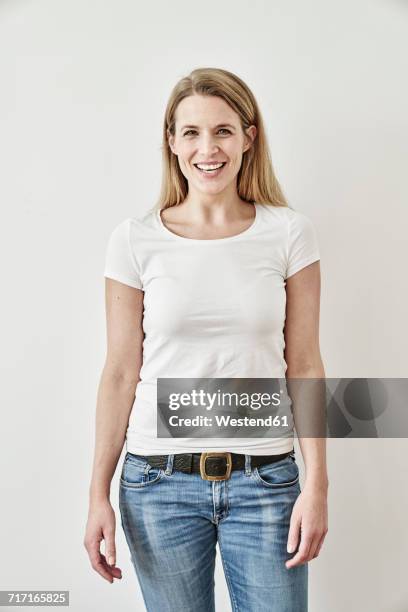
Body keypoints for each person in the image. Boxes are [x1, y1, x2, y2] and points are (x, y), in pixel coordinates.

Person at [84, 67, 328, 612]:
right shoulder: (134, 240)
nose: (207, 148)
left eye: (222, 130)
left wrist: (317, 484)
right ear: (171, 143)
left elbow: (306, 364)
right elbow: (121, 371)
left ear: (249, 137)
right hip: (157, 482)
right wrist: (97, 492)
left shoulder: (289, 233)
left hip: (264, 480)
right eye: (190, 132)